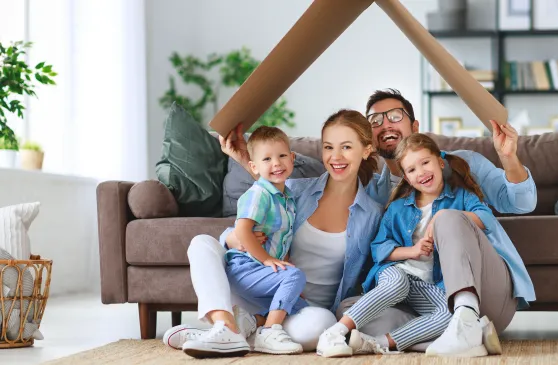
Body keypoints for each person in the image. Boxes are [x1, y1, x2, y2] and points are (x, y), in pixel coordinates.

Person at [333, 88, 538, 357]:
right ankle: (442, 337)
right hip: (423, 299)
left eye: (395, 116)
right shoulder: (374, 192)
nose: (385, 125)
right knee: (350, 310)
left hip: (485, 292)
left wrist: (509, 156)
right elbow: (372, 249)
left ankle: (464, 319)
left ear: (415, 125)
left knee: (448, 218)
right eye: (375, 121)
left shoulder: (463, 167)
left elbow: (522, 203)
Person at [164, 109, 384, 358]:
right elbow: (258, 207)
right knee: (202, 243)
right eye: (328, 147)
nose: (335, 157)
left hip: (302, 310)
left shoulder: (372, 214)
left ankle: (236, 329)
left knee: (322, 326)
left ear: (366, 150)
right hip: (259, 287)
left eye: (346, 147)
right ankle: (225, 324)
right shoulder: (296, 191)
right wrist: (233, 238)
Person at [316, 133, 501, 358]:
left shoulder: (461, 197)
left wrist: (445, 215)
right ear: (406, 177)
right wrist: (412, 251)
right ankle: (336, 332)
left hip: (430, 285)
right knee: (396, 284)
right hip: (398, 274)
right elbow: (379, 248)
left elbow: (488, 220)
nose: (421, 173)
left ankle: (380, 343)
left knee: (449, 314)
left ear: (440, 163)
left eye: (425, 163)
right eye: (412, 170)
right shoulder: (398, 208)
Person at [215, 126, 306, 356]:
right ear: (254, 166)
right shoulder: (259, 194)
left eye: (282, 156)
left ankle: (250, 322)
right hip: (244, 267)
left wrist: (285, 269)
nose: (276, 163)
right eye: (267, 159)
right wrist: (266, 259)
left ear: (292, 158)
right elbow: (242, 230)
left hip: (262, 271)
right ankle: (269, 331)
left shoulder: (288, 199)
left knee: (300, 306)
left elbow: (283, 241)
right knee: (296, 275)